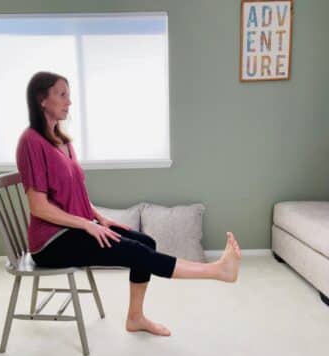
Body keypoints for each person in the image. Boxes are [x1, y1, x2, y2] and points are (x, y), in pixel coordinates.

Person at [16, 71, 242, 337]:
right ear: (42, 99)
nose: (69, 102)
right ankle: (215, 271)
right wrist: (87, 226)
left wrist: (99, 218)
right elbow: (39, 207)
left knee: (145, 242)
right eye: (62, 94)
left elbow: (75, 195)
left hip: (75, 229)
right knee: (136, 252)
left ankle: (135, 317)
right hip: (51, 243)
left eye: (69, 95)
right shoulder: (31, 141)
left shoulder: (63, 142)